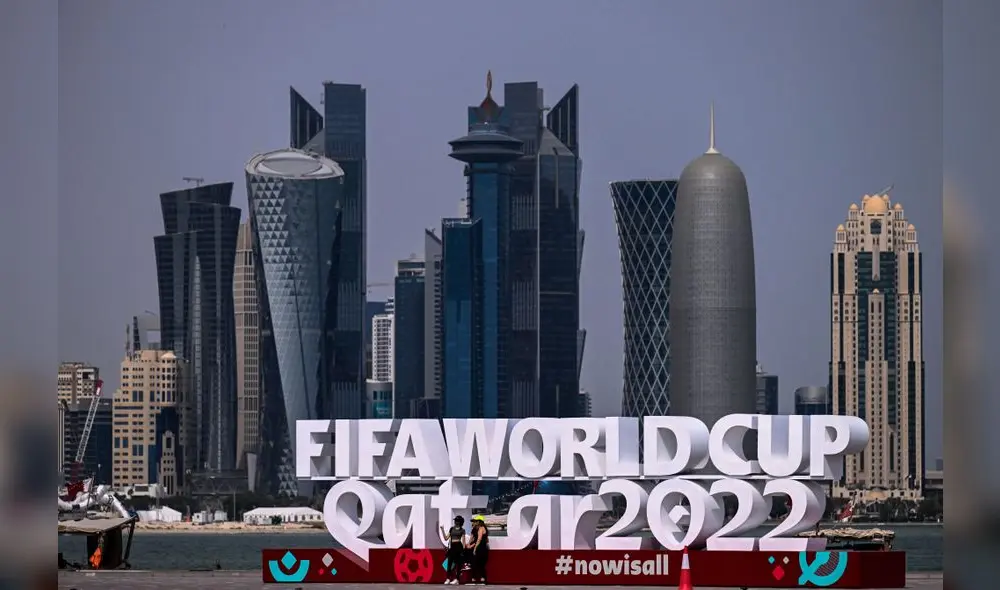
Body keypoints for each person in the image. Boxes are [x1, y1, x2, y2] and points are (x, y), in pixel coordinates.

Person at [440, 515, 467, 584]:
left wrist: (463, 550)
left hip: (458, 546)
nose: (455, 522)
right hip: (452, 547)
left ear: (460, 522)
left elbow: (463, 540)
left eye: (457, 521)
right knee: (449, 563)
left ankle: (457, 579)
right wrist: (442, 529)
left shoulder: (462, 530)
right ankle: (448, 578)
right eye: (455, 521)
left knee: (458, 564)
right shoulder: (451, 529)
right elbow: (446, 538)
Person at [467, 515, 490, 585]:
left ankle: (483, 579)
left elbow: (479, 539)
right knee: (474, 563)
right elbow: (472, 539)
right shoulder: (474, 529)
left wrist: (475, 549)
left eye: (476, 521)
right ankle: (475, 578)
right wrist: (469, 545)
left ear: (480, 522)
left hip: (481, 548)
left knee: (480, 564)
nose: (474, 522)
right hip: (477, 547)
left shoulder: (481, 528)